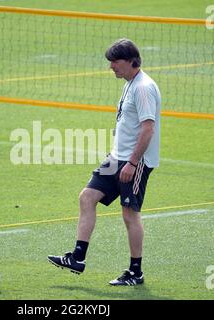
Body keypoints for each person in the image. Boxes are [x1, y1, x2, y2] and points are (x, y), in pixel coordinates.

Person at [47, 38, 161, 286]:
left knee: (130, 215)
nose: (111, 67)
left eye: (115, 62)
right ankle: (77, 257)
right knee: (87, 197)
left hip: (134, 162)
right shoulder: (130, 83)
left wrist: (132, 163)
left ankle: (135, 272)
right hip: (116, 158)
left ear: (131, 61)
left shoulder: (143, 87)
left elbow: (148, 129)